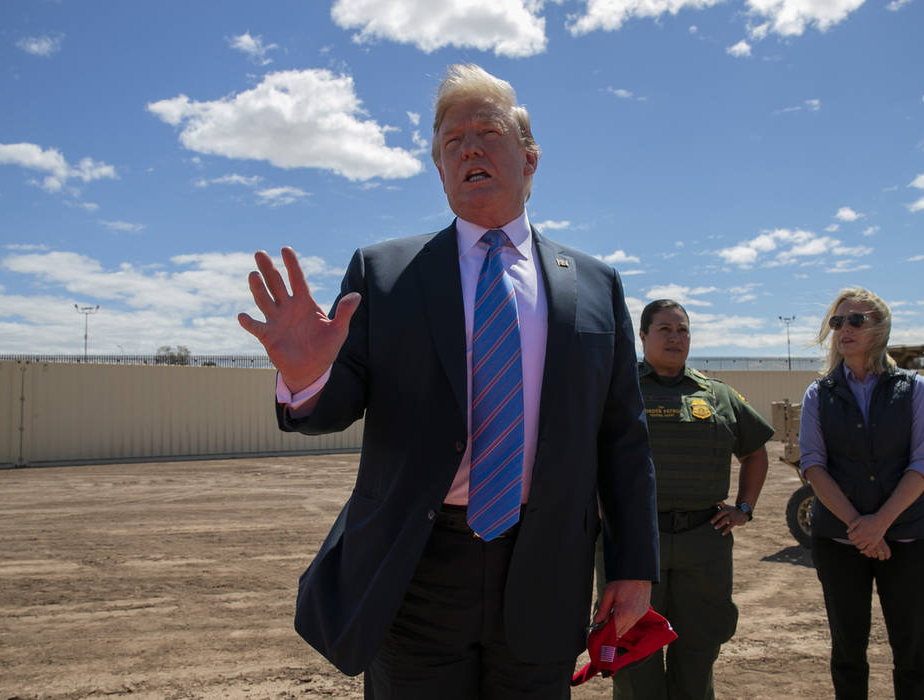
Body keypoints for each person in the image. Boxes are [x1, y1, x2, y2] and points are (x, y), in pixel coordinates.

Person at [238, 63, 659, 699]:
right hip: (414, 570)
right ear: (439, 169)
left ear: (529, 158)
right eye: (450, 143)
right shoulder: (383, 274)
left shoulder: (596, 286)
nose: (468, 149)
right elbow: (334, 404)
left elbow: (623, 440)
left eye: (486, 132)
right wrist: (307, 375)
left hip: (544, 567)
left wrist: (632, 567)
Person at [600, 299, 773, 700]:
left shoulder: (719, 395)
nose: (675, 337)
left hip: (703, 542)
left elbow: (756, 451)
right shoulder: (616, 390)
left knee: (697, 653)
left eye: (683, 330)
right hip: (633, 544)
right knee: (632, 655)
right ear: (642, 336)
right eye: (664, 329)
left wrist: (744, 508)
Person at [798, 287, 924, 700]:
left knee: (912, 653)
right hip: (839, 543)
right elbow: (813, 466)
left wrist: (879, 525)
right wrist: (858, 528)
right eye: (837, 321)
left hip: (909, 540)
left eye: (855, 320)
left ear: (879, 329)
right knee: (847, 652)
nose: (844, 328)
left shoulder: (912, 389)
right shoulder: (818, 394)